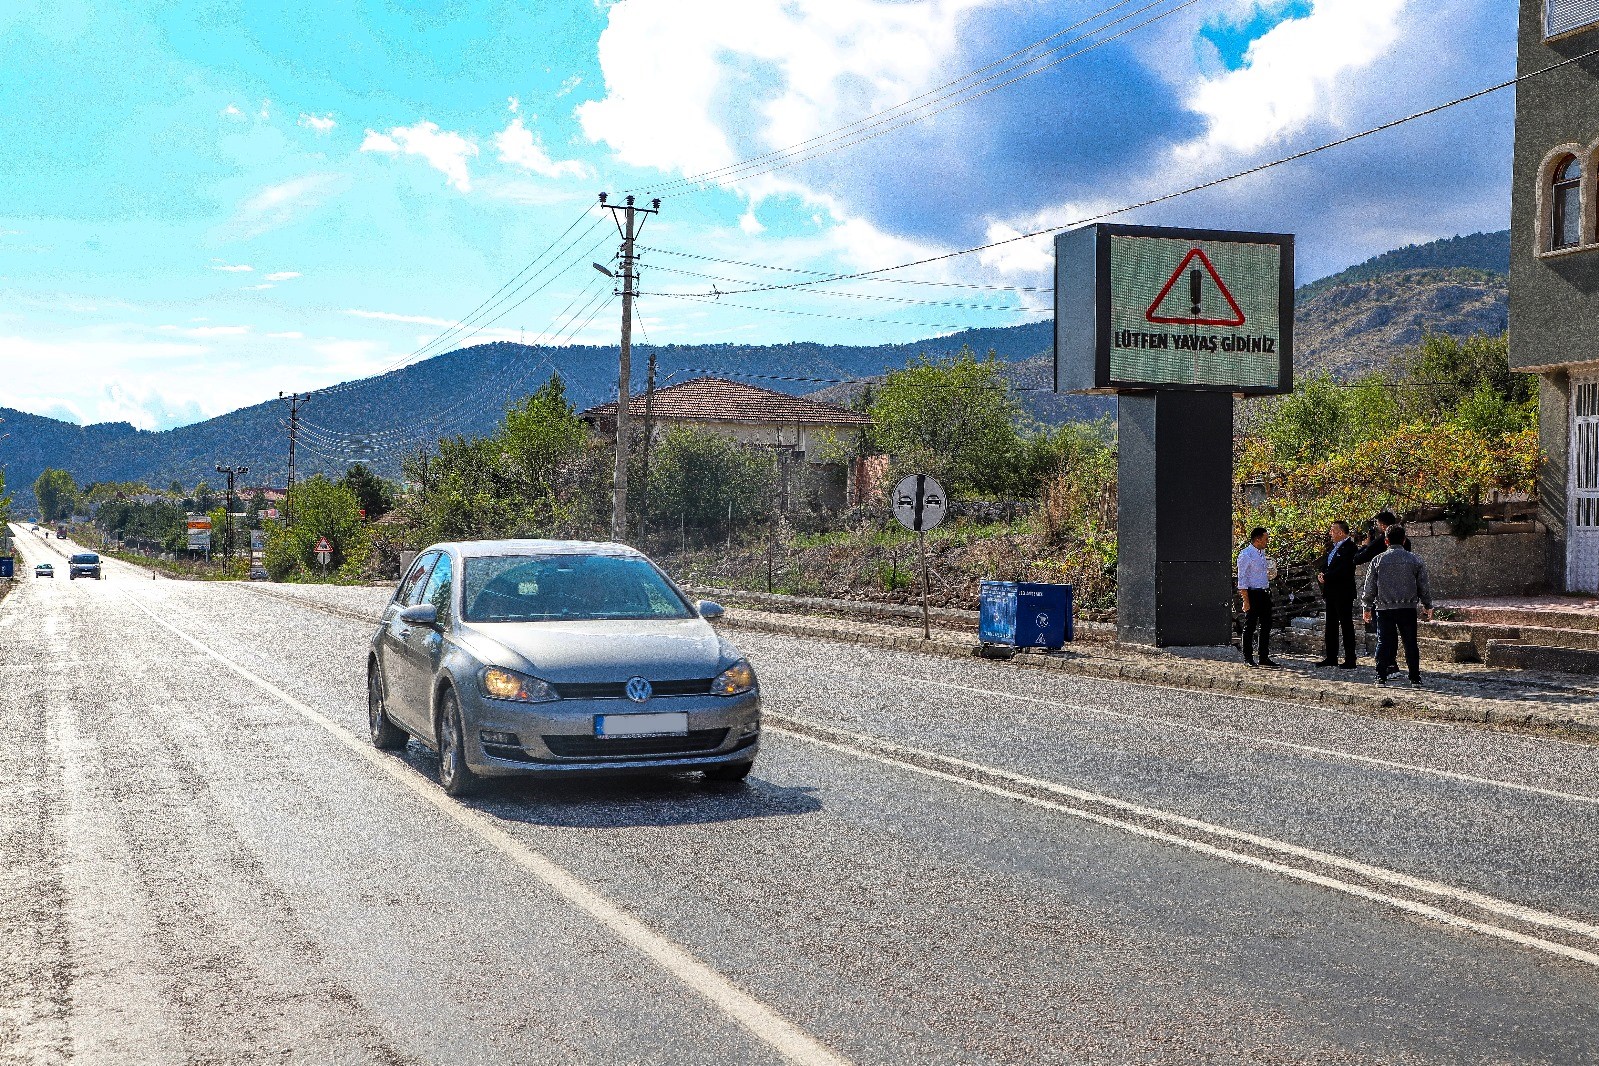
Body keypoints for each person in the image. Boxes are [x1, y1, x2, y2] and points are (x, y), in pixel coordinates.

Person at [1361, 524, 1434, 686]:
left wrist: (1366, 607)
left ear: (1386, 541)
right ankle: (1415, 677)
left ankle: (1380, 676)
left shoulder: (1378, 560)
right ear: (1404, 540)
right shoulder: (1415, 560)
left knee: (1383, 642)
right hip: (1407, 608)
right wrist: (1427, 605)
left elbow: (1370, 587)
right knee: (1410, 643)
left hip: (1384, 608)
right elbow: (1423, 585)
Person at [1315, 519, 1358, 668]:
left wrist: (1327, 576)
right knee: (1331, 625)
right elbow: (1327, 565)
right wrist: (1322, 574)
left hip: (1343, 592)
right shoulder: (1333, 548)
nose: (1330, 533)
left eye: (1332, 531)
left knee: (1346, 625)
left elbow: (1344, 569)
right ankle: (1331, 657)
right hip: (1331, 592)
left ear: (1340, 532)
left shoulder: (1350, 548)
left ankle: (1350, 659)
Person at [1237, 527, 1276, 667]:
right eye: (1266, 539)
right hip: (1252, 593)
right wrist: (1245, 600)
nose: (1267, 541)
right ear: (1258, 539)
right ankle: (1248, 657)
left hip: (1264, 592)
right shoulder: (1246, 555)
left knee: (1266, 625)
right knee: (1250, 626)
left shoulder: (1262, 553)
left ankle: (1263, 657)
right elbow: (1242, 579)